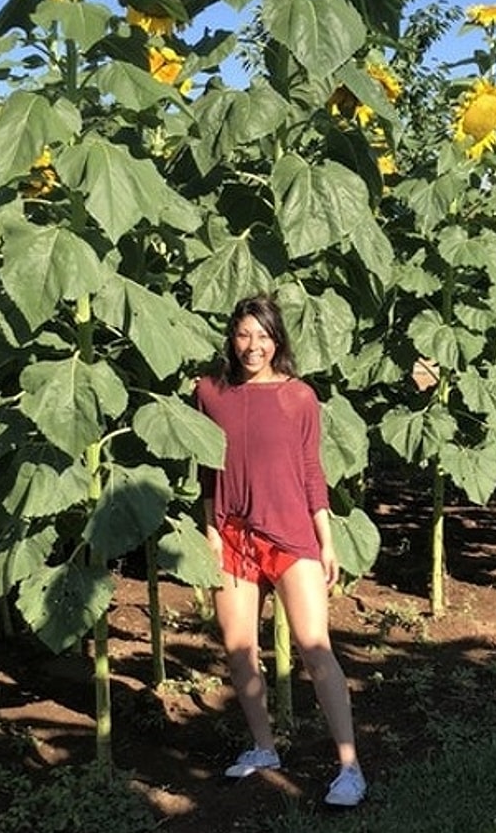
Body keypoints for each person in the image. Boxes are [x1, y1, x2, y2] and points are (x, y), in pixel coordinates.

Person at [195, 292, 366, 808]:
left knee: (316, 649)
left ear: (277, 341)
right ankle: (264, 748)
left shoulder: (298, 397)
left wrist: (328, 539)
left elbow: (312, 472)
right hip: (233, 535)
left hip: (291, 535)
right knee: (239, 647)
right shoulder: (209, 393)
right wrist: (208, 530)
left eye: (264, 336)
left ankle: (349, 767)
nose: (253, 347)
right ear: (231, 337)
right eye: (244, 335)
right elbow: (207, 469)